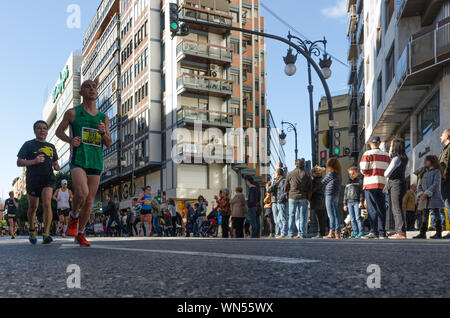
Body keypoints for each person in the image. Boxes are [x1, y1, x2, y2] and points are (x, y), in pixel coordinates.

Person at [56, 80, 112, 247]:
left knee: (89, 201)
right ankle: (74, 216)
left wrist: (103, 133)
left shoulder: (103, 118)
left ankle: (80, 233)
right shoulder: (73, 113)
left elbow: (109, 142)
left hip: (96, 161)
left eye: (94, 87)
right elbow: (59, 131)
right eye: (87, 86)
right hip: (78, 160)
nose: (92, 89)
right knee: (82, 192)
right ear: (81, 92)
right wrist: (70, 140)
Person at [17, 120, 61, 244]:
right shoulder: (28, 145)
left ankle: (46, 234)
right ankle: (32, 229)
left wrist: (57, 167)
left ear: (47, 131)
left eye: (44, 128)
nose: (42, 130)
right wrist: (33, 161)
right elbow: (19, 162)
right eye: (39, 128)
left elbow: (55, 163)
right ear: (34, 130)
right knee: (33, 207)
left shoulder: (51, 147)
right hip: (33, 179)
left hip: (48, 178)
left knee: (47, 203)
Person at [360, 136, 391, 239]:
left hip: (370, 183)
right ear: (379, 143)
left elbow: (363, 169)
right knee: (381, 208)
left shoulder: (367, 154)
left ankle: (374, 231)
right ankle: (382, 232)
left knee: (372, 208)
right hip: (382, 183)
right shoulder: (386, 155)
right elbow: (388, 170)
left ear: (370, 143)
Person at [414, 156, 445, 239]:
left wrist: (427, 193)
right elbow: (419, 185)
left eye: (427, 160)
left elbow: (436, 184)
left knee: (436, 214)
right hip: (424, 198)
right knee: (424, 215)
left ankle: (439, 234)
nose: (425, 162)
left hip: (434, 196)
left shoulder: (437, 171)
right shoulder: (423, 172)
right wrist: (421, 194)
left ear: (432, 161)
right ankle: (422, 233)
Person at [384, 138, 409, 239]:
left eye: (391, 145)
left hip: (395, 184)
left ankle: (401, 232)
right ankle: (400, 231)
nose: (390, 148)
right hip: (400, 183)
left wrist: (390, 154)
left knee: (396, 208)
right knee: (396, 207)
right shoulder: (403, 158)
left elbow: (386, 173)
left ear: (395, 147)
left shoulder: (396, 159)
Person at [285, 159, 312, 239]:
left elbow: (286, 185)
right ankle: (302, 233)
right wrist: (308, 198)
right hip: (303, 197)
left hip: (292, 196)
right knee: (302, 216)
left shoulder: (290, 173)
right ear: (303, 165)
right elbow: (309, 187)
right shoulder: (306, 174)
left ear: (295, 165)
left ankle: (291, 233)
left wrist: (286, 194)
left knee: (292, 215)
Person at [322, 158, 342, 239]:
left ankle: (331, 232)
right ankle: (337, 232)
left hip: (329, 194)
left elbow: (323, 182)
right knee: (336, 214)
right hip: (336, 194)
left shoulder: (330, 173)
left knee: (331, 215)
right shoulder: (338, 174)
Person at [343, 167, 365, 238]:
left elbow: (361, 193)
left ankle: (361, 231)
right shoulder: (348, 183)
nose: (351, 175)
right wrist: (345, 204)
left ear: (357, 173)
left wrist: (361, 202)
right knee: (352, 218)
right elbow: (345, 194)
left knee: (358, 217)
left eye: (353, 174)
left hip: (356, 202)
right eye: (350, 174)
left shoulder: (359, 182)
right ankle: (355, 232)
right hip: (349, 202)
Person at [268, 169, 288, 238]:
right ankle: (281, 233)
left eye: (275, 173)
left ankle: (283, 233)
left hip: (280, 201)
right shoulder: (279, 181)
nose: (274, 175)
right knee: (279, 219)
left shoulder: (282, 181)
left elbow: (282, 192)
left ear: (277, 174)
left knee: (282, 218)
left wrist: (280, 200)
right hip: (279, 201)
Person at [310, 166, 327, 238]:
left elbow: (313, 190)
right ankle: (322, 232)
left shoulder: (315, 181)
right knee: (322, 218)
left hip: (317, 200)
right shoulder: (323, 180)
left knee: (319, 218)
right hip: (322, 199)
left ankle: (320, 233)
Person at [439, 129, 450, 238]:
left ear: (447, 136)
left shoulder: (449, 148)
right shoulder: (445, 149)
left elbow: (447, 165)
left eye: (442, 135)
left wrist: (443, 177)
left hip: (447, 180)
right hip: (445, 180)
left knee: (448, 204)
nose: (440, 137)